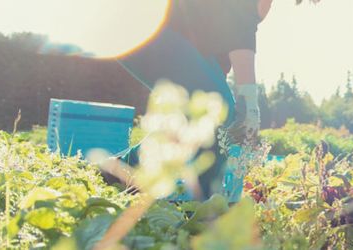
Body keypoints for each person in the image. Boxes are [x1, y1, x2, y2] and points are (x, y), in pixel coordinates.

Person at [113, 0, 273, 200]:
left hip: (168, 33)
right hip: (145, 21)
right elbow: (241, 32)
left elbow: (227, 40)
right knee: (216, 108)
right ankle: (203, 203)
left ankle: (121, 169)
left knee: (208, 113)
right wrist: (248, 103)